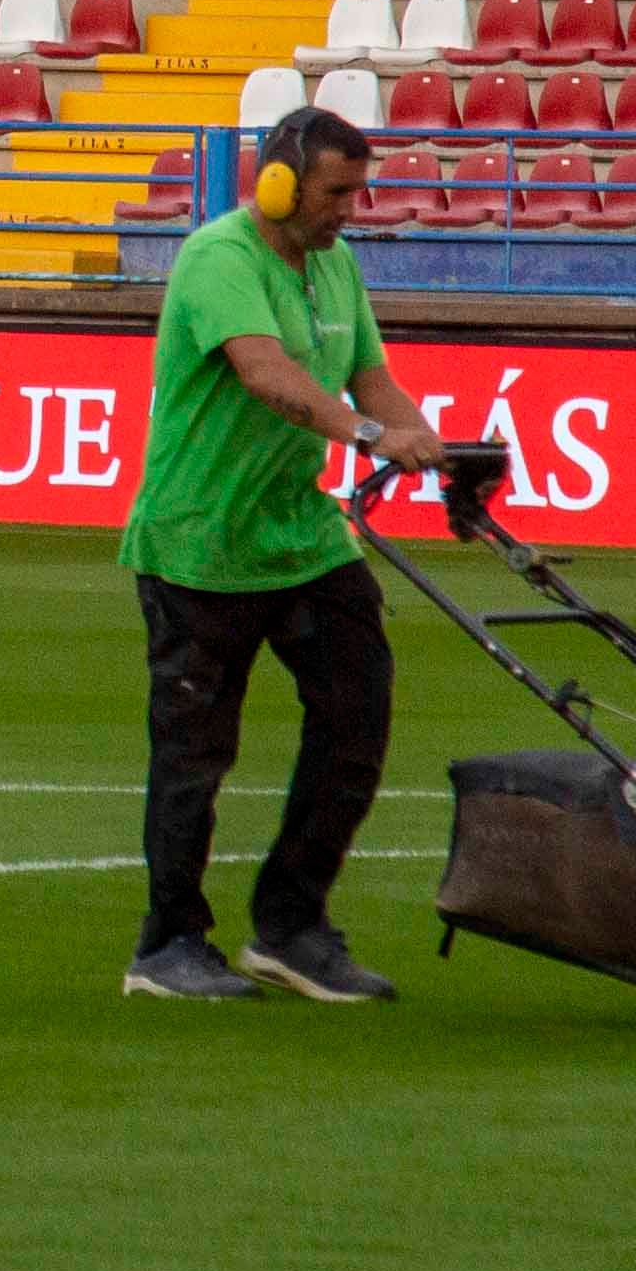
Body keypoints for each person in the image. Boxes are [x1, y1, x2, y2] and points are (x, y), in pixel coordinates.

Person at [115, 103, 445, 1003]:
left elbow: (369, 374)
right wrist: (374, 437)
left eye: (359, 190)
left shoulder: (337, 269)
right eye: (337, 191)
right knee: (195, 751)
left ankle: (292, 926)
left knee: (357, 716)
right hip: (200, 543)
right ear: (279, 180)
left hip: (300, 535)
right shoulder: (218, 259)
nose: (352, 209)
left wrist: (437, 449)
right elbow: (267, 375)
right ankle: (168, 944)